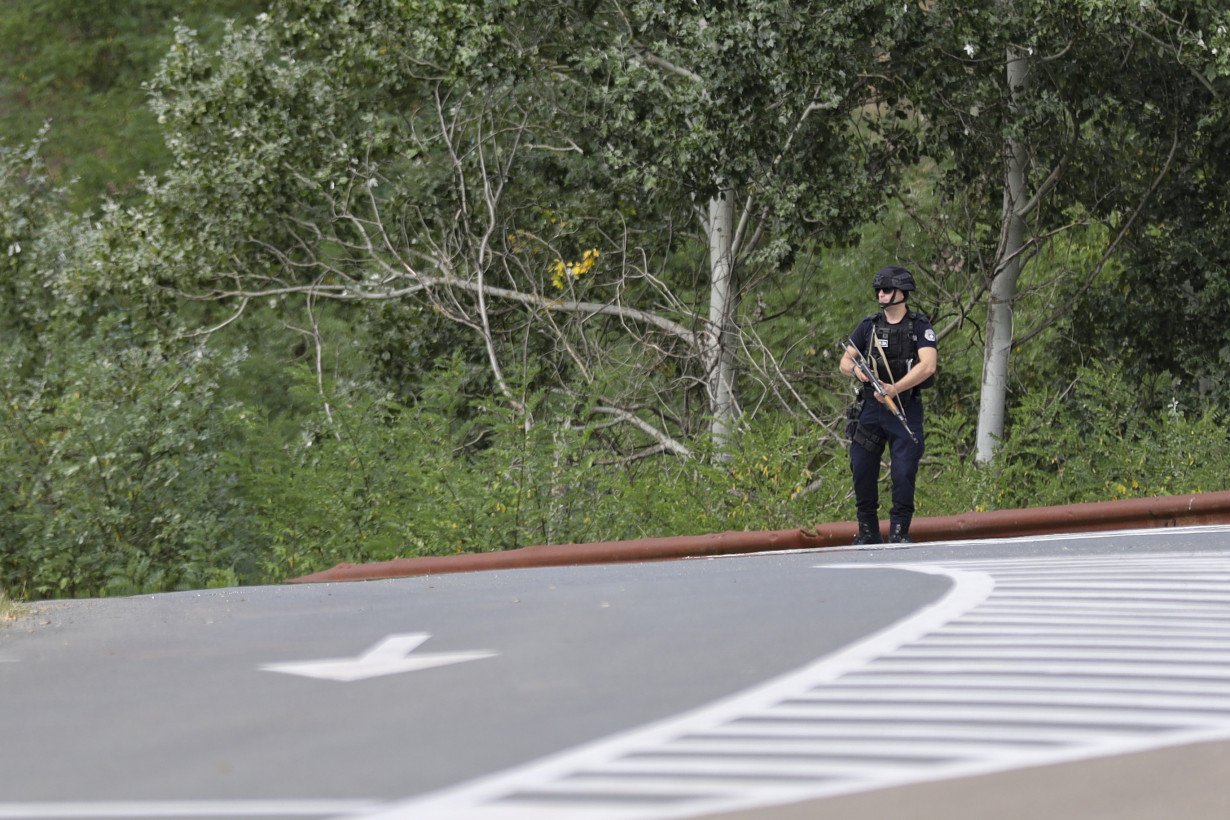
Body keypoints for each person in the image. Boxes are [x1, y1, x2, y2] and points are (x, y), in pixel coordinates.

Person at [838, 265, 937, 544]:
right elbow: (845, 360)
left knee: (904, 470)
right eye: (878, 290)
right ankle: (868, 529)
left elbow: (928, 366)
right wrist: (858, 372)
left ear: (902, 293)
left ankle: (899, 530)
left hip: (904, 406)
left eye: (887, 289)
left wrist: (895, 388)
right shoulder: (868, 326)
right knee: (861, 467)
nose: (881, 294)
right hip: (871, 409)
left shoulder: (919, 326)